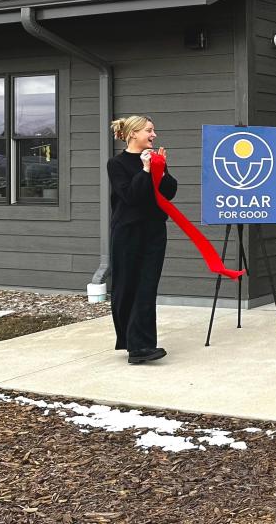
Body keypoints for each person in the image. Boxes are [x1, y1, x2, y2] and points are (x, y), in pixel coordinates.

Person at [108, 115, 177, 365]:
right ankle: (131, 342)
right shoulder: (116, 164)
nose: (154, 135)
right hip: (127, 232)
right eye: (149, 130)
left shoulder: (155, 159)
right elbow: (130, 196)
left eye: (154, 130)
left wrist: (161, 169)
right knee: (127, 285)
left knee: (147, 287)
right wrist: (146, 170)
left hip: (154, 231)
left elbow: (168, 192)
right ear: (134, 133)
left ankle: (142, 345)